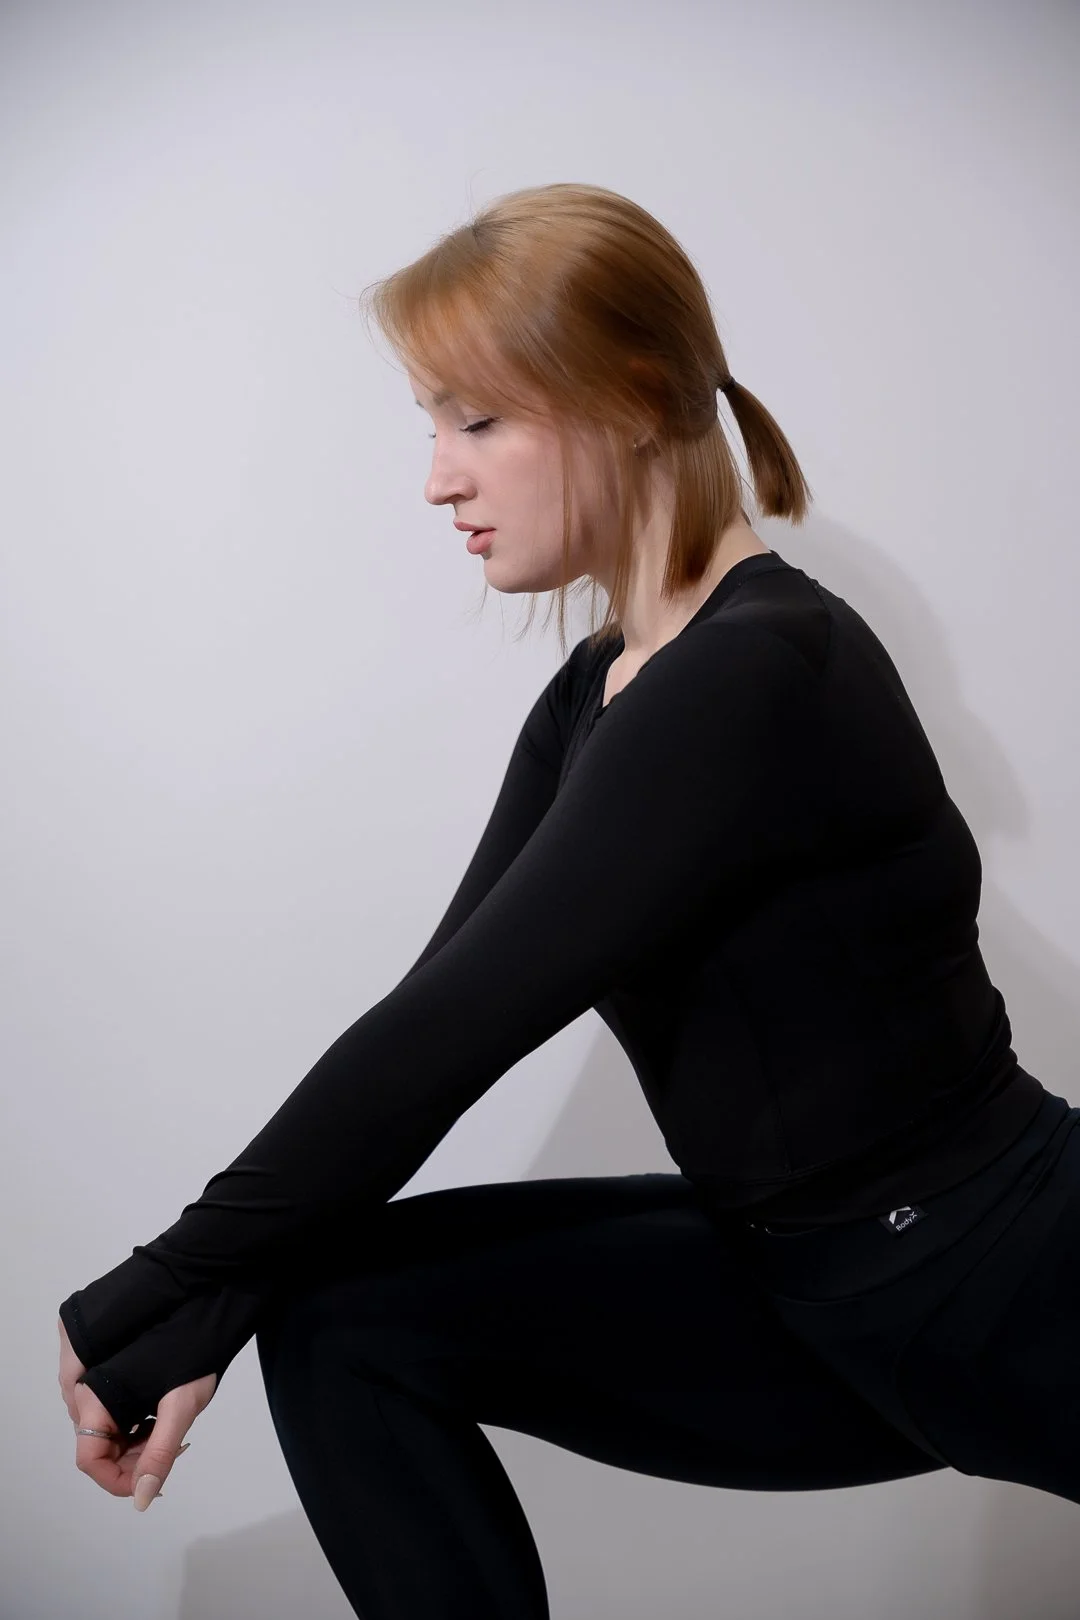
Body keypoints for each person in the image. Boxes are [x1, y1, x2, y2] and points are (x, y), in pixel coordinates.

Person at [59, 182, 1080, 1615]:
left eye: (475, 422)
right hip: (807, 1301)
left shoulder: (761, 676)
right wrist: (204, 1314)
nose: (436, 478)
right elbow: (430, 1009)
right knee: (346, 1322)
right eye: (432, 427)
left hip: (1003, 1286)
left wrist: (140, 1296)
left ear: (636, 397)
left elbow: (449, 1042)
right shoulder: (600, 693)